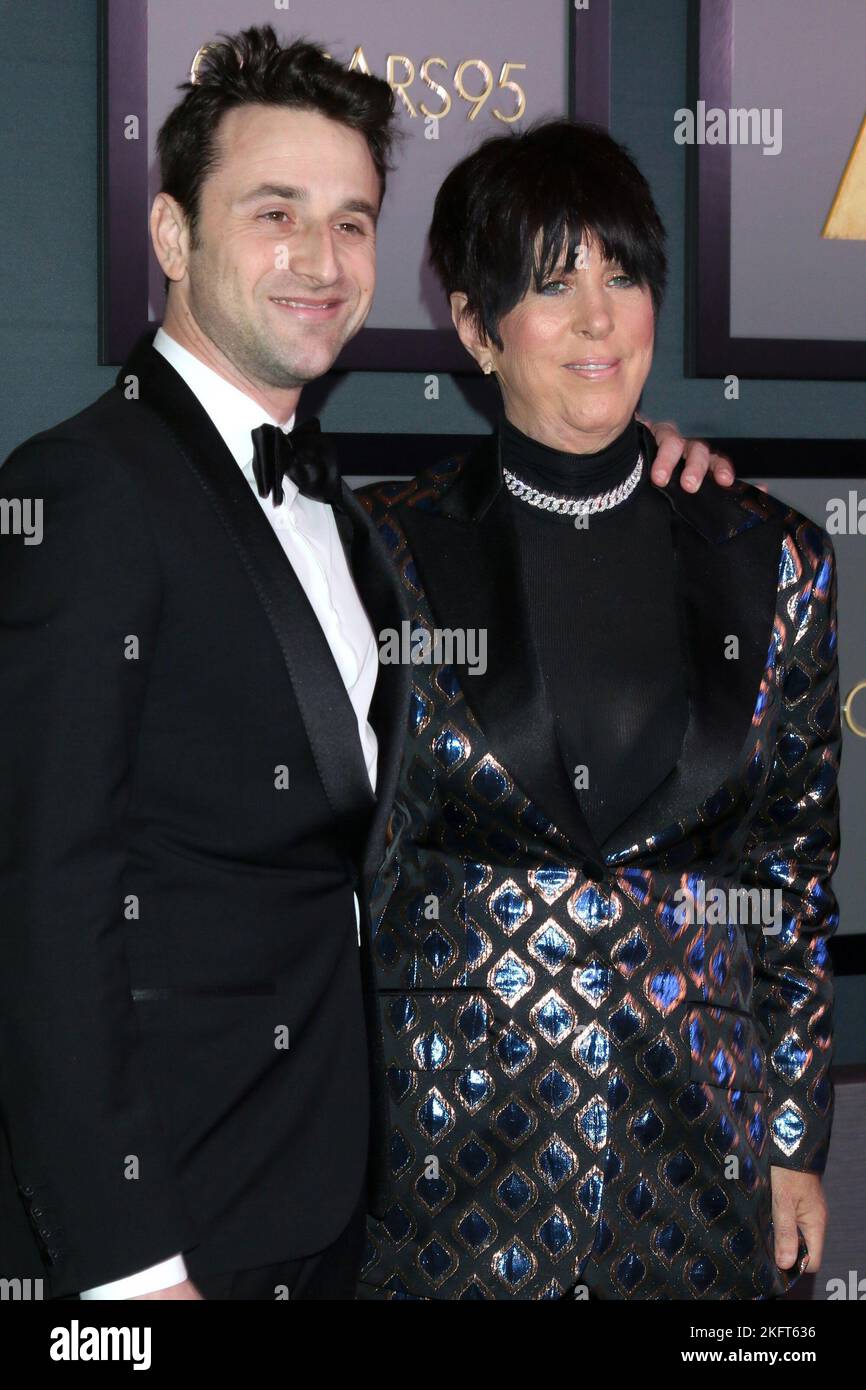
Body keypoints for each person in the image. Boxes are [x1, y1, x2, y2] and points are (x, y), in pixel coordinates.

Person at [0, 29, 732, 1302]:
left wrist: (640, 469)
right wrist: (127, 1270)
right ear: (170, 237)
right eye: (273, 213)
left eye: (351, 222)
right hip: (161, 1233)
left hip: (344, 1201)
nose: (319, 260)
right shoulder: (83, 489)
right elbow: (40, 905)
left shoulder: (351, 514)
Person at [357, 119, 840, 1300]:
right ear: (473, 327)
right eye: (549, 283)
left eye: (619, 275)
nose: (594, 320)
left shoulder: (767, 554)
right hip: (444, 1167)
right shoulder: (383, 545)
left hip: (695, 1162)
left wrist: (787, 1134)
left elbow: (787, 862)